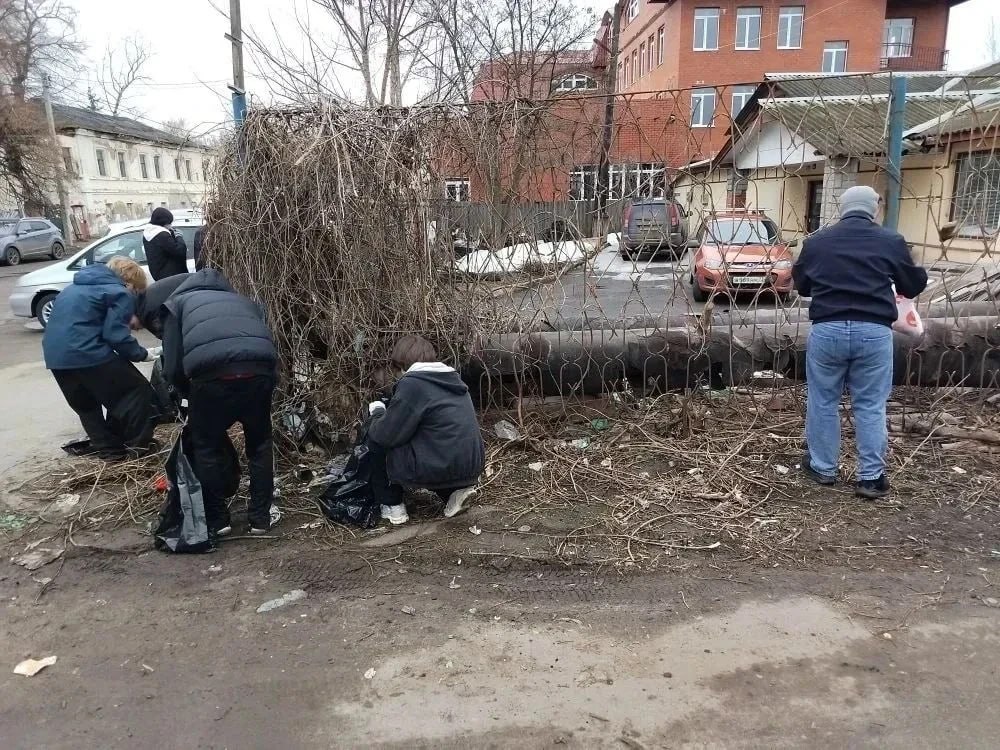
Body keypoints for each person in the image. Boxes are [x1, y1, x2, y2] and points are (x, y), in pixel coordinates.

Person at [792, 185, 928, 499]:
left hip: (828, 330)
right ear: (874, 208)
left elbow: (802, 285)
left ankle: (823, 468)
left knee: (823, 400)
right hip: (874, 332)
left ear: (842, 208)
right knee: (870, 404)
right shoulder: (890, 241)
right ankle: (871, 478)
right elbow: (912, 284)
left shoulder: (817, 242)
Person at [157, 268, 278, 535]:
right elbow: (266, 342)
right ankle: (260, 518)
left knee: (206, 446)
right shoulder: (244, 301)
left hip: (211, 379)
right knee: (260, 444)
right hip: (259, 372)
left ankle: (218, 519)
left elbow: (173, 365)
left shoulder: (176, 305)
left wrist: (185, 395)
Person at [43, 256, 160, 459]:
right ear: (130, 283)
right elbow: (115, 336)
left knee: (87, 407)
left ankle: (111, 454)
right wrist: (142, 354)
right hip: (88, 354)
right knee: (136, 391)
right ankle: (139, 448)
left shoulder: (72, 289)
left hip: (56, 359)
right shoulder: (120, 292)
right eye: (136, 291)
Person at [366, 335, 484, 525]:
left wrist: (378, 412)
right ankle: (454, 493)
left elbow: (385, 434)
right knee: (434, 440)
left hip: (438, 464)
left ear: (400, 364)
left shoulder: (412, 384)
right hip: (470, 466)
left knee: (376, 437)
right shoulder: (453, 380)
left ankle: (392, 506)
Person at [143, 207, 188, 281]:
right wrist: (179, 237)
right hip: (172, 277)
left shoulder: (148, 233)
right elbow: (180, 251)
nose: (170, 225)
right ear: (163, 222)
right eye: (169, 223)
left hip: (160, 275)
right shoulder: (162, 235)